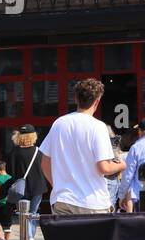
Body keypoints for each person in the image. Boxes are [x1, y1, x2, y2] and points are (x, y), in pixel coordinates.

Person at [40, 78, 125, 215]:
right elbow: (104, 167)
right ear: (97, 101)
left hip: (63, 200)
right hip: (92, 201)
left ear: (75, 99)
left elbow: (44, 162)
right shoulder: (98, 126)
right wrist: (121, 165)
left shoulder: (59, 123)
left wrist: (57, 186)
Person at [7, 124, 49, 240]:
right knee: (33, 213)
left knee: (23, 214)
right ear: (33, 136)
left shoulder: (14, 152)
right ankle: (31, 237)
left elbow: (11, 172)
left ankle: (29, 237)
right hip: (38, 187)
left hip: (20, 187)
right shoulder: (39, 151)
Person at [118, 119, 145, 211]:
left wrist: (121, 195)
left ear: (140, 132)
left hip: (140, 196)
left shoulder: (136, 147)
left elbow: (128, 175)